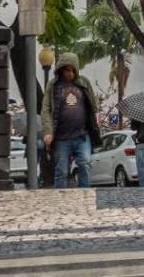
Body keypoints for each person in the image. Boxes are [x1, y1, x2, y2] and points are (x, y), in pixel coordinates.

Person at [39, 52, 102, 188]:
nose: (70, 73)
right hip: (62, 138)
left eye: (73, 70)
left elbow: (94, 106)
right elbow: (46, 109)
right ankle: (61, 200)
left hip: (82, 136)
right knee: (61, 171)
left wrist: (97, 123)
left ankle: (85, 195)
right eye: (67, 70)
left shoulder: (84, 82)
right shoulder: (53, 85)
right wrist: (48, 132)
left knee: (85, 163)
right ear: (61, 70)